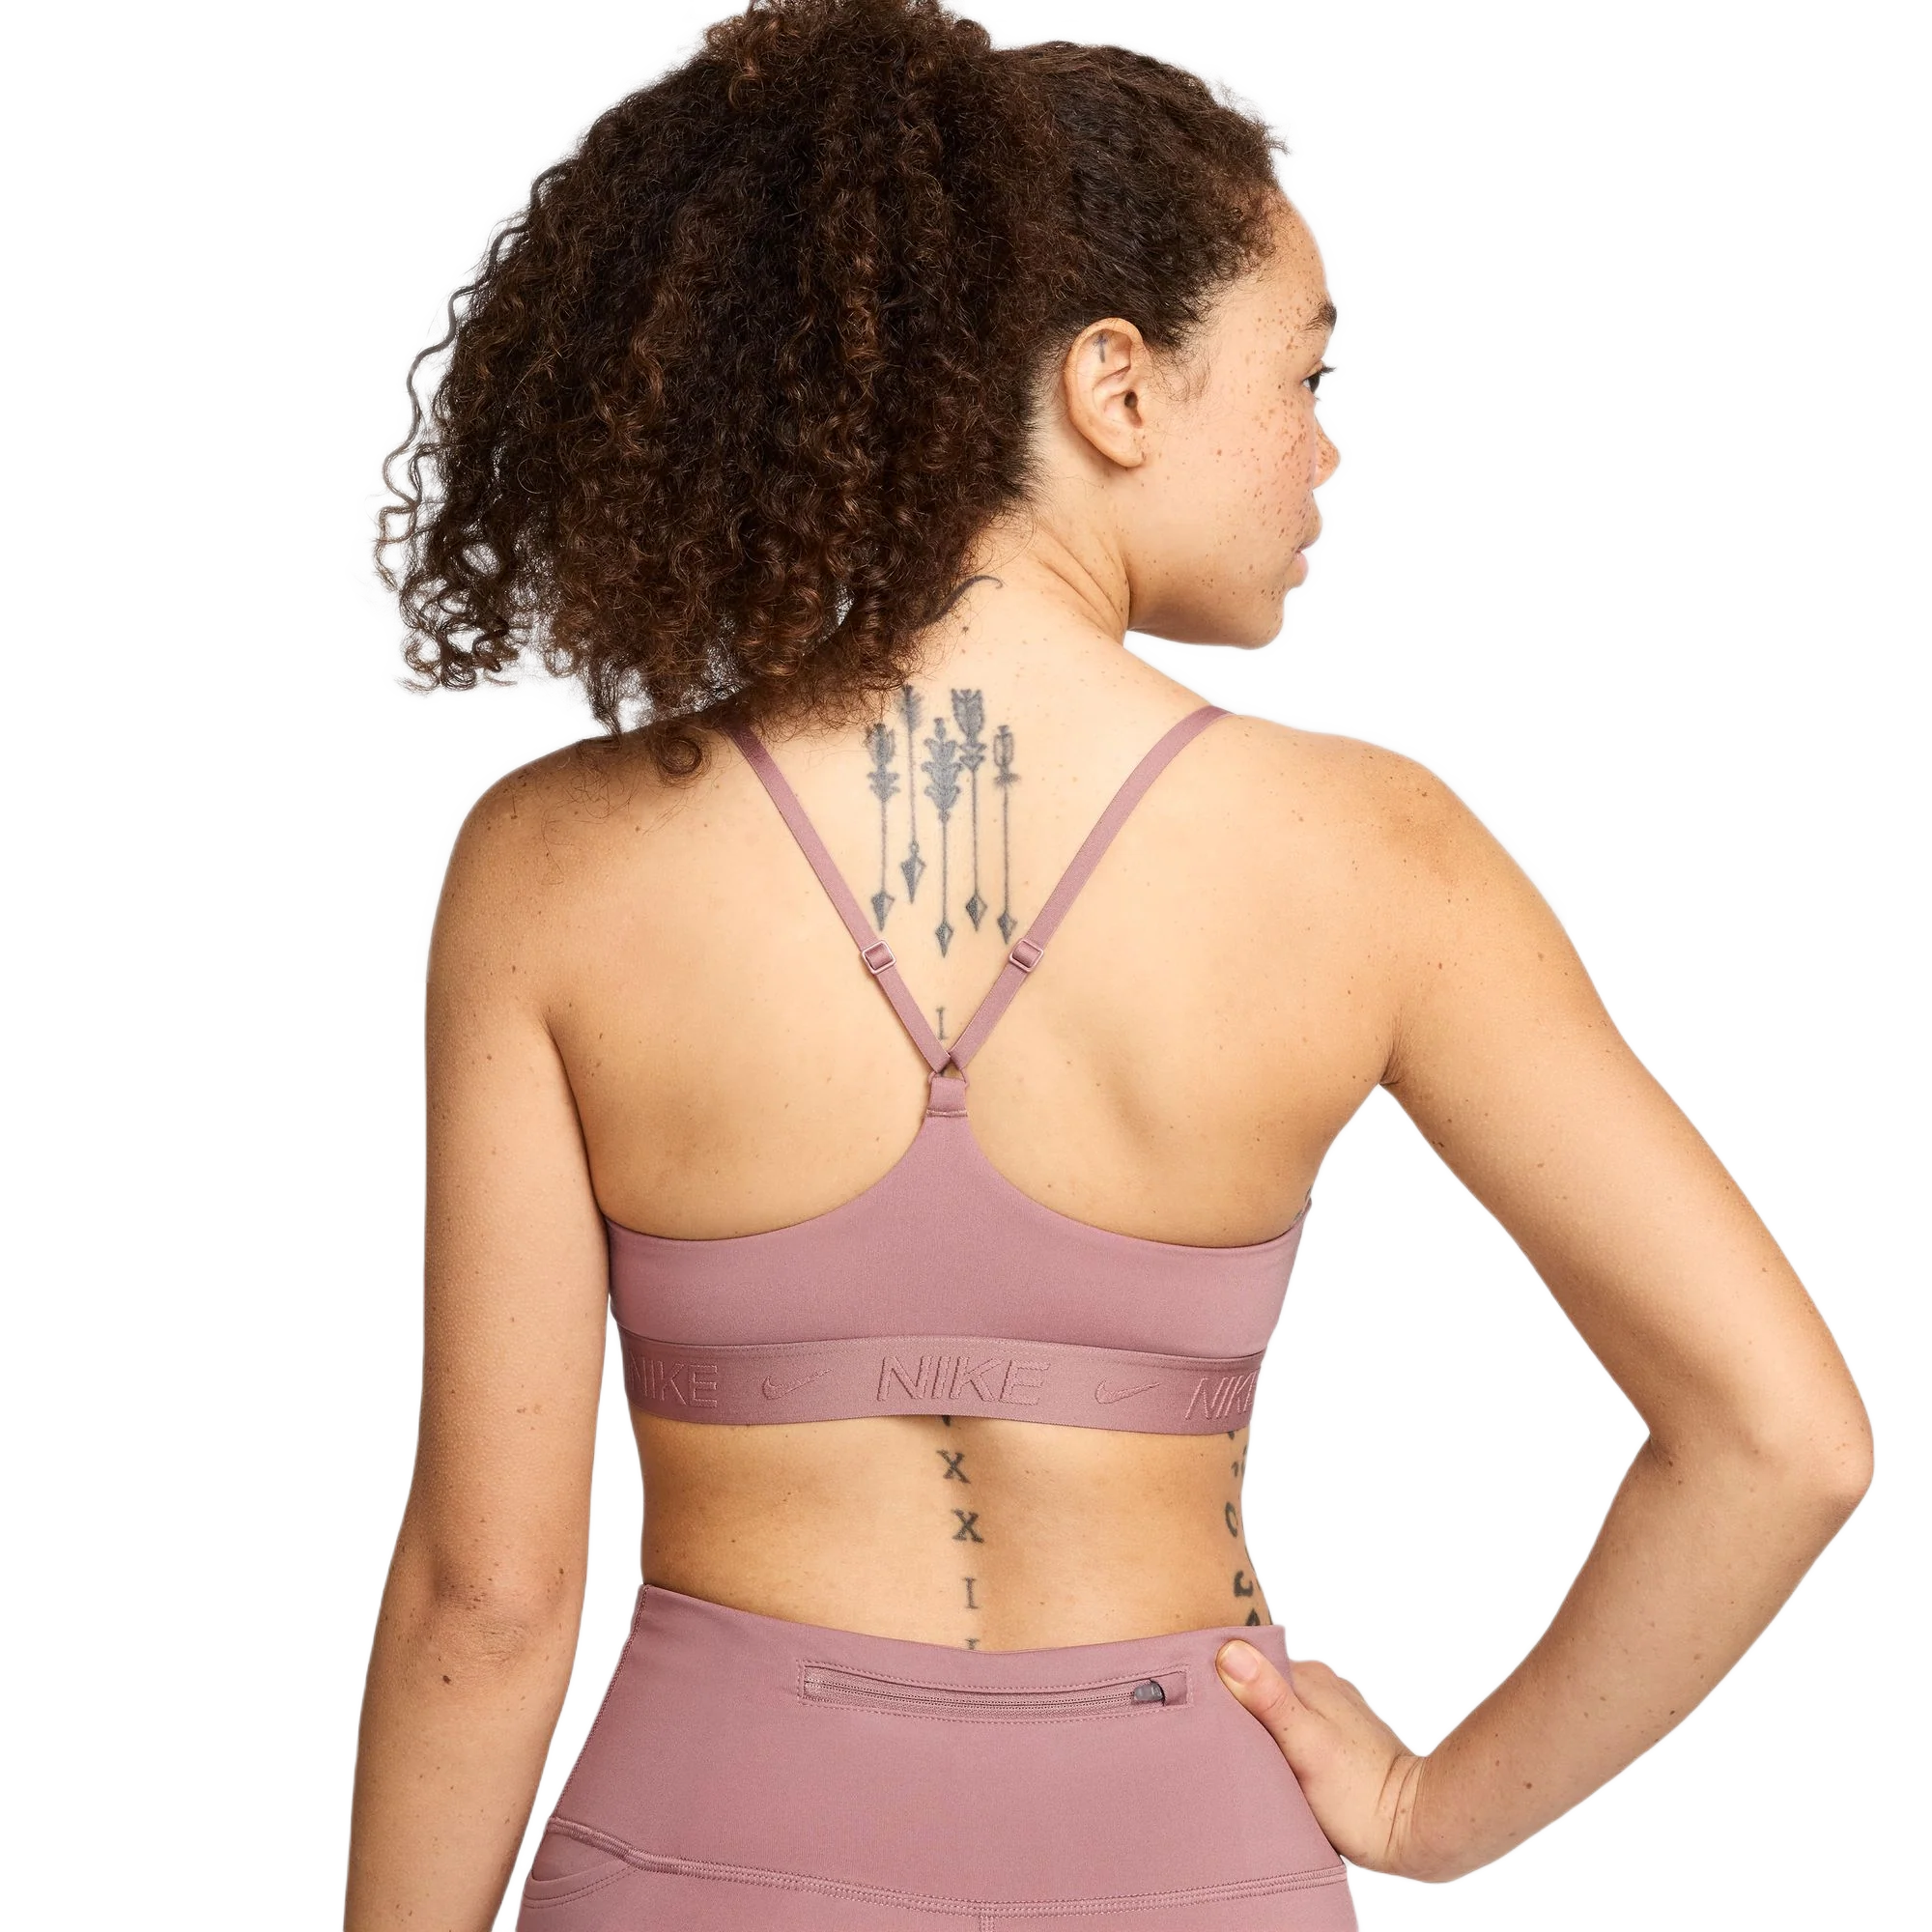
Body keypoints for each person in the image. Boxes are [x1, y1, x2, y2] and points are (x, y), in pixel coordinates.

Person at [341, 2, 1874, 1926]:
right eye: (1307, 373)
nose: (1324, 450)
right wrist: (1432, 1809)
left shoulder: (555, 863)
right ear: (1116, 388)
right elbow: (1783, 1439)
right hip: (1188, 1868)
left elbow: (488, 1598)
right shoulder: (1372, 856)